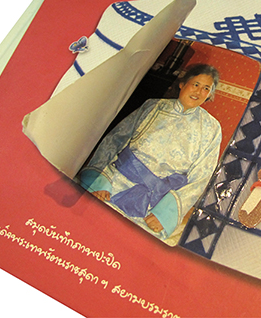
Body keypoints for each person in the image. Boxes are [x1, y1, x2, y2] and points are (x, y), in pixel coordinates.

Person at [78, 64, 222, 239]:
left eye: (206, 88)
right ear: (182, 84)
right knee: (82, 226)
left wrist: (165, 214)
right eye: (196, 84)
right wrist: (100, 181)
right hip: (114, 183)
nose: (199, 92)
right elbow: (115, 139)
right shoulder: (153, 106)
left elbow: (201, 177)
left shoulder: (211, 128)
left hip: (156, 202)